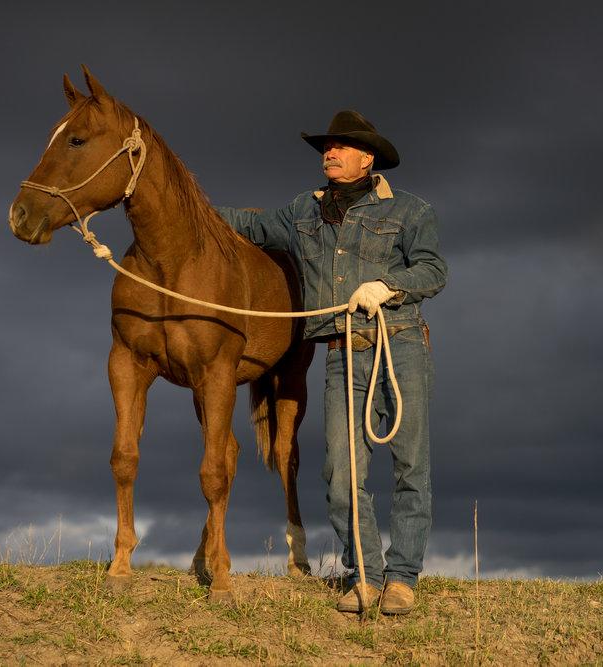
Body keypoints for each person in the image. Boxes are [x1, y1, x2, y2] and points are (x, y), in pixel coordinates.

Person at [215, 110, 448, 614]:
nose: (330, 153)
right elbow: (252, 226)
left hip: (400, 344)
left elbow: (433, 269)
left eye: (341, 147)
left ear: (368, 158)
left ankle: (402, 577)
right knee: (341, 474)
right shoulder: (303, 211)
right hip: (342, 352)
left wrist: (389, 286)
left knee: (410, 465)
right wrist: (185, 208)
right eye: (327, 146)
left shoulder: (410, 211)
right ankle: (364, 576)